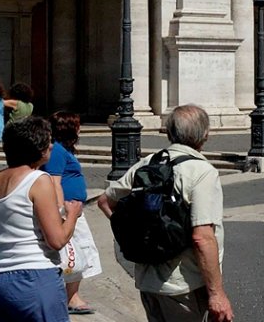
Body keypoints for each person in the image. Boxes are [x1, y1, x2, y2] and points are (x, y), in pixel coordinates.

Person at [99, 105, 233, 322]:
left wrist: (132, 234)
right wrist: (217, 294)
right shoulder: (202, 172)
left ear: (170, 133)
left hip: (148, 280)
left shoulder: (149, 162)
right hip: (183, 284)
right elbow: (202, 237)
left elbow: (106, 201)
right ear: (205, 135)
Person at [0, 116, 79, 322]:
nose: (51, 146)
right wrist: (72, 215)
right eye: (47, 141)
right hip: (34, 278)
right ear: (37, 148)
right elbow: (57, 240)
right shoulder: (38, 180)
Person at [46, 112, 101, 315]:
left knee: (81, 249)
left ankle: (72, 294)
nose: (80, 129)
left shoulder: (64, 150)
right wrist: (61, 211)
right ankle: (70, 297)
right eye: (78, 125)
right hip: (68, 211)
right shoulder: (58, 151)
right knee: (73, 251)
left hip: (74, 210)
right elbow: (54, 181)